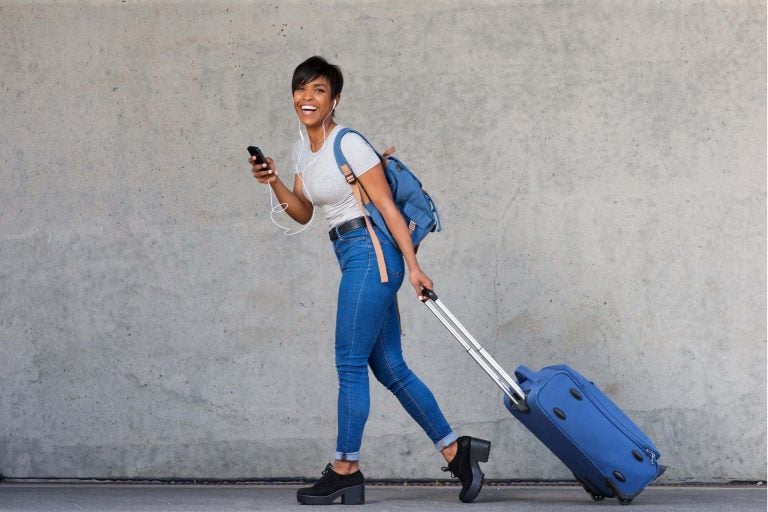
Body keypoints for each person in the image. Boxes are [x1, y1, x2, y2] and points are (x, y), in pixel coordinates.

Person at [249, 56, 491, 505]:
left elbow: (388, 207)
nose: (308, 97)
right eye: (301, 89)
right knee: (390, 367)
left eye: (319, 90)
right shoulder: (304, 148)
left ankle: (346, 468)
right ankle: (458, 453)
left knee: (349, 363)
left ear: (334, 99)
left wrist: (413, 267)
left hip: (371, 254)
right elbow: (302, 212)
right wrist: (275, 181)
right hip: (349, 254)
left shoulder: (350, 143)